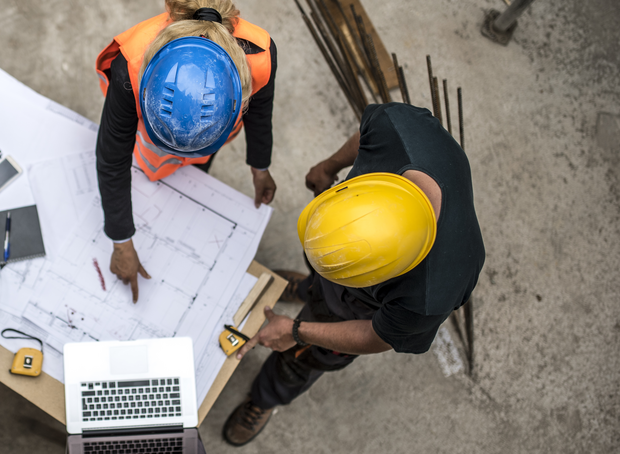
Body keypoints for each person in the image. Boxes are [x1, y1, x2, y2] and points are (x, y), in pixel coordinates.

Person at [221, 102, 486, 446]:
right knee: (319, 280)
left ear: (383, 276)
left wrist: (297, 331)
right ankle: (307, 288)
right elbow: (365, 135)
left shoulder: (431, 293)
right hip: (351, 257)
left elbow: (376, 336)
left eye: (343, 271)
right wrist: (329, 166)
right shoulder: (399, 130)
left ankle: (266, 398)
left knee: (300, 360)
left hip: (354, 312)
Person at [95, 0, 278, 302]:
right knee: (152, 171)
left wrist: (260, 166)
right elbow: (113, 157)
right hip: (151, 148)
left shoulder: (259, 55)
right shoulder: (131, 67)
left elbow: (261, 112)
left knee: (193, 175)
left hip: (209, 141)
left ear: (239, 100)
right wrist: (121, 241)